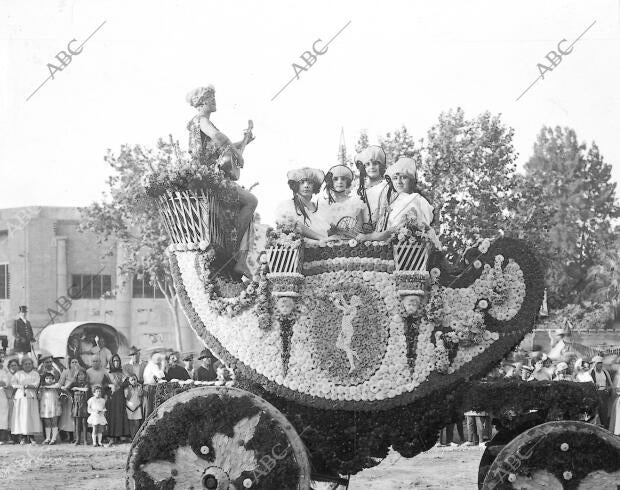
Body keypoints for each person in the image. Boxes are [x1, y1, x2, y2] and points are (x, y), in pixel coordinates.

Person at [186, 85, 257, 278]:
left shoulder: (200, 123)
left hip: (209, 177)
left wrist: (243, 143)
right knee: (251, 201)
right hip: (211, 179)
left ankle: (239, 255)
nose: (214, 101)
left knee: (246, 204)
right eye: (211, 98)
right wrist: (236, 152)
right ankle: (234, 250)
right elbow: (219, 138)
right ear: (202, 102)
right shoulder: (201, 121)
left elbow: (221, 147)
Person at [359, 157, 436, 243]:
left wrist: (370, 236)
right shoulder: (393, 202)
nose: (399, 182)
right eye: (395, 178)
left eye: (403, 177)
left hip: (408, 249)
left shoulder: (416, 199)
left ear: (411, 180)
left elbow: (408, 228)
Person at [275, 167, 329, 240]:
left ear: (315, 186)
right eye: (302, 182)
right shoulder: (288, 205)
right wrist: (321, 237)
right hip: (301, 249)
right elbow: (296, 225)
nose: (306, 186)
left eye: (310, 182)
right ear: (296, 185)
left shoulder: (320, 208)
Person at [320, 164, 364, 239]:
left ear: (347, 182)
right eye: (336, 179)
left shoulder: (354, 201)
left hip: (352, 240)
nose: (340, 182)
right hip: (332, 240)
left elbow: (360, 222)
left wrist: (352, 234)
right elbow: (323, 226)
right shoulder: (325, 204)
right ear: (331, 182)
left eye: (343, 179)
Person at [355, 146, 389, 230]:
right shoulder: (360, 189)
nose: (372, 167)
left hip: (382, 232)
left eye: (375, 163)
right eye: (367, 164)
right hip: (362, 234)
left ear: (381, 166)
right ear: (364, 168)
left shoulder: (387, 186)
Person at [10, 356, 41, 444]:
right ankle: (23, 436)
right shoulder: (18, 373)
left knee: (31, 416)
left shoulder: (35, 373)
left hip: (31, 396)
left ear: (32, 365)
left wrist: (29, 386)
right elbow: (13, 383)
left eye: (29, 364)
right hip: (21, 396)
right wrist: (22, 386)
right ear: (22, 365)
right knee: (22, 416)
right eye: (25, 364)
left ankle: (31, 436)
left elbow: (36, 383)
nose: (27, 365)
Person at [106, 354, 129, 445]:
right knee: (111, 415)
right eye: (114, 361)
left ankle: (120, 435)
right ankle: (111, 435)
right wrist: (109, 385)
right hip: (111, 397)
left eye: (118, 361)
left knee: (120, 414)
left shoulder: (122, 372)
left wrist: (121, 385)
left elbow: (127, 382)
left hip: (120, 396)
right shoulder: (108, 373)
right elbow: (104, 384)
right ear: (111, 362)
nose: (116, 362)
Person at [58, 357, 81, 442]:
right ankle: (67, 435)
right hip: (67, 396)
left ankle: (75, 436)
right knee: (67, 416)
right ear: (69, 363)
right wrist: (64, 388)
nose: (74, 364)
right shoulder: (65, 372)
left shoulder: (80, 371)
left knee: (75, 416)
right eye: (73, 362)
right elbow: (60, 383)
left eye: (76, 362)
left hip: (77, 396)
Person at [38, 371, 62, 444]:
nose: (49, 380)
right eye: (47, 378)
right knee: (47, 422)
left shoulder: (56, 385)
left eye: (51, 378)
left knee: (54, 422)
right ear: (44, 379)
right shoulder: (42, 388)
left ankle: (54, 438)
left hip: (54, 406)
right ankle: (48, 438)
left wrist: (46, 387)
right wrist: (40, 391)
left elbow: (58, 386)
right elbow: (39, 397)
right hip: (45, 406)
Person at [590, 355, 613, 427]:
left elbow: (609, 383)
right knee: (596, 414)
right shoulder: (592, 372)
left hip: (604, 394)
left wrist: (608, 389)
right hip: (595, 395)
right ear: (595, 364)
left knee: (604, 413)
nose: (600, 365)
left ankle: (605, 427)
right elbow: (590, 384)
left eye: (601, 363)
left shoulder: (605, 372)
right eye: (599, 363)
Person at [68, 369, 90, 445]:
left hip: (84, 404)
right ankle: (77, 439)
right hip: (76, 405)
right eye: (79, 375)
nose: (81, 376)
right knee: (77, 424)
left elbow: (86, 389)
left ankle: (85, 440)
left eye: (82, 374)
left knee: (84, 423)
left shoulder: (86, 383)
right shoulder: (74, 383)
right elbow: (67, 388)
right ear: (77, 376)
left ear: (85, 375)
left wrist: (76, 388)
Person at [142, 352, 165, 418]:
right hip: (150, 388)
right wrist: (163, 364)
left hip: (150, 387)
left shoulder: (151, 365)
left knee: (150, 408)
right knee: (149, 409)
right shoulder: (152, 365)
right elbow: (160, 375)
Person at [124, 374, 143, 439]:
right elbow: (127, 398)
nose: (134, 381)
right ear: (129, 381)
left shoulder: (139, 387)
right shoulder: (127, 389)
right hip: (129, 408)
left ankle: (136, 436)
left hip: (137, 407)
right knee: (131, 423)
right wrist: (130, 389)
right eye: (132, 380)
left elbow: (140, 395)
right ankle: (133, 437)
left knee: (137, 423)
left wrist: (140, 388)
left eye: (135, 379)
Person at [0, 356, 11, 444]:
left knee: (2, 415)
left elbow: (5, 383)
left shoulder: (3, 372)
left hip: (1, 395)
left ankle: (2, 438)